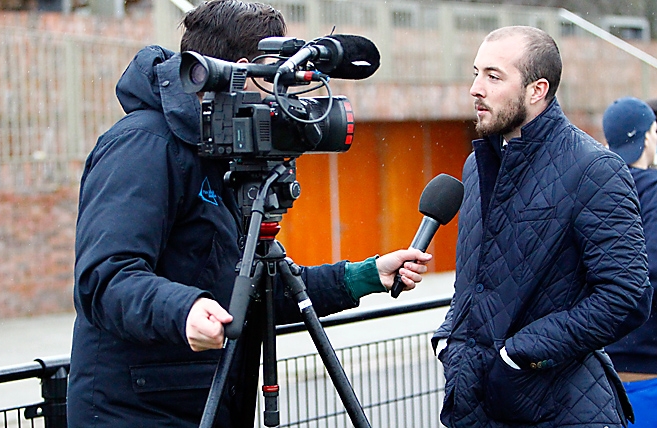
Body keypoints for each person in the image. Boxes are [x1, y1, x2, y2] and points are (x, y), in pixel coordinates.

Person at [65, 1, 432, 427]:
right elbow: (104, 279)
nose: (285, 98)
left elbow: (253, 293)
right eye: (277, 78)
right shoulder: (145, 145)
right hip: (135, 411)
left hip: (208, 403)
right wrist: (183, 309)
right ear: (242, 73)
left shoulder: (226, 154)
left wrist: (366, 275)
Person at [432, 26, 652, 428]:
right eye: (476, 73)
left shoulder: (594, 169)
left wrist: (520, 355)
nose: (475, 89)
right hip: (477, 407)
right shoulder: (477, 166)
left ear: (537, 90)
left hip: (565, 410)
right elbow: (475, 282)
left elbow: (627, 295)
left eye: (494, 76)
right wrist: (449, 341)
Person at [602, 96, 657, 427]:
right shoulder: (654, 190)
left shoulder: (594, 187)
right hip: (649, 365)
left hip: (599, 371)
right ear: (648, 136)